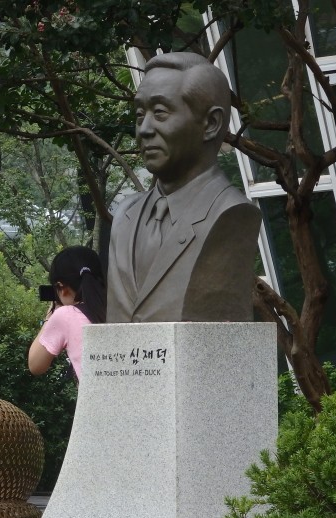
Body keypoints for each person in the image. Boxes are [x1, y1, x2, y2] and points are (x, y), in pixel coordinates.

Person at [106, 51, 261, 323]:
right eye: (140, 114)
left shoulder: (230, 213)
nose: (144, 129)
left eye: (161, 113)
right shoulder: (124, 216)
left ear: (210, 124)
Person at [28, 246, 107, 379]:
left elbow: (35, 365)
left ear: (61, 287)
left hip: (95, 399)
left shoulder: (66, 315)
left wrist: (50, 315)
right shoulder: (120, 309)